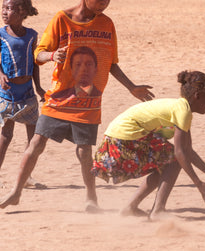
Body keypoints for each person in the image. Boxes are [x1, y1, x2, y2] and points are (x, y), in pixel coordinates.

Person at [0, 0, 154, 212]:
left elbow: (111, 62)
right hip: (58, 99)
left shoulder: (107, 24)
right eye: (99, 0)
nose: (103, 4)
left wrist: (131, 87)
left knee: (84, 152)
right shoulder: (62, 19)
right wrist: (53, 55)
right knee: (36, 144)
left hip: (89, 102)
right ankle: (16, 192)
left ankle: (91, 199)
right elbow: (38, 54)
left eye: (107, 0)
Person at [93, 71, 205, 219]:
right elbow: (180, 153)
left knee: (168, 161)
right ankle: (157, 210)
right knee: (173, 160)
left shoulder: (182, 109)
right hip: (124, 137)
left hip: (119, 135)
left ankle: (131, 207)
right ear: (197, 96)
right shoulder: (183, 111)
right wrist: (198, 183)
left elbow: (187, 150)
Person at [0, 0, 46, 188]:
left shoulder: (32, 35)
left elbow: (34, 64)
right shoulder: (1, 35)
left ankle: (26, 176)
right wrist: (1, 75)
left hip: (27, 93)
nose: (4, 12)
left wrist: (39, 87)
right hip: (8, 93)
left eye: (8, 9)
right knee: (6, 135)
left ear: (22, 11)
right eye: (2, 8)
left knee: (33, 137)